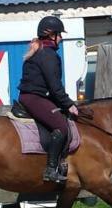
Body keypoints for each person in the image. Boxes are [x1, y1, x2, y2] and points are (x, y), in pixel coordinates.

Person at [18, 16, 79, 183]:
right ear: (51, 34)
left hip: (32, 96)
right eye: (59, 34)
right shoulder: (47, 54)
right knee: (61, 127)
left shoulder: (40, 51)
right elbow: (54, 86)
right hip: (34, 98)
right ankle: (50, 170)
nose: (61, 38)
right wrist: (69, 104)